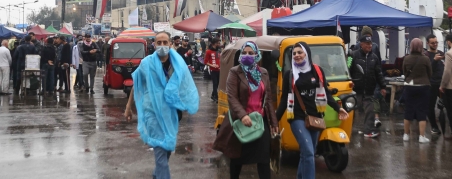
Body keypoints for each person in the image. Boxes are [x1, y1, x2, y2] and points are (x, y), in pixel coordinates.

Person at [124, 31, 199, 179]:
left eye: (165, 42)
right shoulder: (147, 63)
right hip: (152, 112)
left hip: (172, 112)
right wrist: (128, 107)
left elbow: (185, 85)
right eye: (159, 42)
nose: (163, 45)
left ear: (170, 44)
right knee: (160, 150)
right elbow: (136, 84)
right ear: (154, 44)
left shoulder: (178, 63)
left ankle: (156, 174)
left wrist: (185, 102)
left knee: (167, 149)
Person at [276, 42, 348, 179]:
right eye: (294, 53)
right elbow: (285, 99)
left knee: (306, 153)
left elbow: (325, 93)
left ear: (307, 54)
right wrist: (274, 120)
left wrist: (338, 109)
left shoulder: (318, 71)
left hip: (316, 118)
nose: (297, 55)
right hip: (297, 118)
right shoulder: (290, 75)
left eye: (300, 52)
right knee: (309, 152)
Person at [214, 41, 278, 179]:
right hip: (241, 122)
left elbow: (268, 100)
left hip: (260, 122)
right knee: (237, 160)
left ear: (257, 55)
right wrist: (243, 115)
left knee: (264, 160)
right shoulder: (235, 72)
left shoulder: (263, 73)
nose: (247, 55)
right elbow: (232, 97)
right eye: (244, 53)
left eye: (251, 53)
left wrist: (274, 123)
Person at [349, 34, 386, 138]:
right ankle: (348, 130)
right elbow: (346, 69)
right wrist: (350, 81)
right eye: (367, 44)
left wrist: (383, 86)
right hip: (356, 90)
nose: (369, 46)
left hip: (369, 90)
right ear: (361, 44)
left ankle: (368, 131)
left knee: (370, 111)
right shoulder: (352, 55)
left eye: (370, 44)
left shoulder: (375, 58)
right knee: (352, 111)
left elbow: (379, 73)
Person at [402, 38, 432, 143]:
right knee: (422, 111)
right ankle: (422, 136)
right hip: (423, 86)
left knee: (408, 110)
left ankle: (406, 135)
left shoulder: (406, 58)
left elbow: (404, 72)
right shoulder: (426, 59)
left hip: (409, 86)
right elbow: (430, 73)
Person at [425, 34, 445, 135]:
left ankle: (444, 125)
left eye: (436, 42)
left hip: (442, 83)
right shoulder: (426, 55)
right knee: (430, 105)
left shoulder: (441, 53)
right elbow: (426, 70)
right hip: (431, 84)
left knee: (446, 104)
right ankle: (434, 126)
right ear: (428, 43)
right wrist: (435, 61)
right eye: (432, 43)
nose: (435, 44)